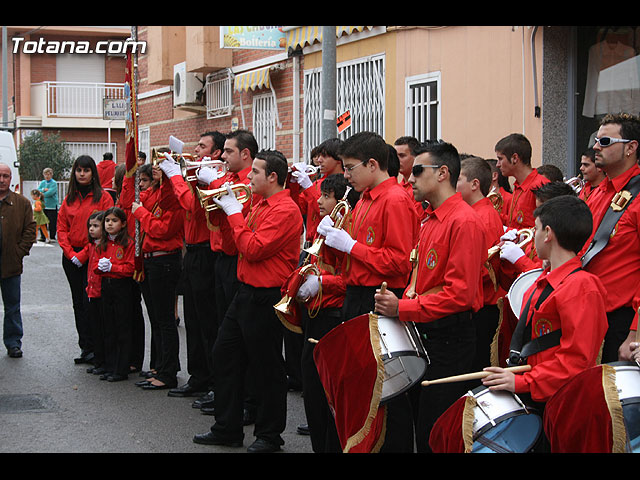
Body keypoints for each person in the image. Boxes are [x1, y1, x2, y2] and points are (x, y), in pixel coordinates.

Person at [374, 140, 486, 453]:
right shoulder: (431, 218)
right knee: (414, 421)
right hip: (425, 331)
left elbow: (460, 295)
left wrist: (403, 306)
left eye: (418, 170)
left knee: (435, 430)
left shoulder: (463, 221)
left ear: (442, 174)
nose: (410, 177)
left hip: (449, 337)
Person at [193, 149, 303, 453]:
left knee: (266, 367)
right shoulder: (257, 203)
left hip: (266, 296)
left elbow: (253, 248)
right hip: (245, 291)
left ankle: (269, 435)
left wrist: (234, 214)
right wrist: (228, 212)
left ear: (272, 177)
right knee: (224, 355)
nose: (249, 177)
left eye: (255, 172)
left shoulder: (285, 210)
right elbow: (235, 244)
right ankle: (227, 427)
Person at [318, 131, 418, 452]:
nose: (345, 176)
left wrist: (352, 246)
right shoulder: (362, 199)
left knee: (387, 390)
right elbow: (353, 256)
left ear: (372, 164)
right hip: (357, 295)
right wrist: (334, 240)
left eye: (350, 168)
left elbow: (399, 263)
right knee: (361, 385)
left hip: (380, 296)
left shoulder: (396, 200)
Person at [482, 195, 607, 405]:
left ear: (548, 233)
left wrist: (523, 382)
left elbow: (576, 361)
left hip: (561, 402)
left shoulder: (581, 287)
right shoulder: (544, 279)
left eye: (536, 229)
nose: (533, 235)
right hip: (539, 391)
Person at [194, 129, 261, 419]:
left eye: (228, 151)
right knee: (223, 331)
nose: (222, 156)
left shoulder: (249, 181)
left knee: (239, 337)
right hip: (221, 258)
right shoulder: (230, 179)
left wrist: (216, 181)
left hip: (238, 260)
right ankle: (227, 396)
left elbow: (240, 210)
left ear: (245, 154)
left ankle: (246, 399)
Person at [292, 173, 360, 453]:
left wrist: (322, 281)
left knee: (327, 393)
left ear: (340, 200)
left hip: (333, 314)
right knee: (312, 390)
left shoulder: (348, 228)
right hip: (316, 311)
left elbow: (351, 279)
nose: (318, 201)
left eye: (325, 196)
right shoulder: (327, 225)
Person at [158, 131, 226, 400]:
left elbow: (192, 205)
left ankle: (212, 380)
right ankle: (198, 375)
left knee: (209, 321)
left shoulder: (212, 177)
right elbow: (171, 204)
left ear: (216, 152)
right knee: (194, 320)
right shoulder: (193, 173)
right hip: (193, 252)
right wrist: (169, 176)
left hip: (208, 252)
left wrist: (176, 175)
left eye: (202, 146)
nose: (195, 150)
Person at [121, 154, 185, 390]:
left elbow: (163, 229)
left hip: (164, 261)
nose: (157, 172)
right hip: (149, 261)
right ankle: (160, 364)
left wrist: (142, 214)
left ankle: (168, 372)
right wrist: (130, 174)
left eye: (162, 169)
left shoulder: (173, 198)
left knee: (166, 319)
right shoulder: (153, 194)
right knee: (157, 319)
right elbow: (129, 204)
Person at [581, 113, 640, 364]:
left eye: (604, 142)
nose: (595, 147)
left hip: (621, 322)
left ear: (630, 148)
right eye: (596, 140)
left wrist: (635, 333)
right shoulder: (598, 192)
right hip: (589, 314)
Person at [57, 155, 114, 365]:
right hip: (71, 258)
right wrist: (71, 254)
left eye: (86, 170)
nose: (82, 174)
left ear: (93, 173)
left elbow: (107, 228)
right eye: (79, 170)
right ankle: (85, 347)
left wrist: (83, 255)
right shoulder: (68, 199)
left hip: (93, 255)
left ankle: (98, 348)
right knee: (78, 304)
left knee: (92, 302)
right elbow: (61, 228)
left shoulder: (103, 197)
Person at [456, 156, 504, 372]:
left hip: (485, 304)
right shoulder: (474, 213)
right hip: (477, 301)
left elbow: (487, 268)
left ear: (475, 184)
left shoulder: (483, 216)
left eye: (458, 180)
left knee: (476, 367)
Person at [93, 206, 136, 382]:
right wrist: (100, 267)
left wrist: (113, 268)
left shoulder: (128, 243)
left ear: (123, 223)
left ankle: (121, 368)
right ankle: (110, 366)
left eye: (114, 221)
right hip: (107, 285)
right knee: (108, 326)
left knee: (122, 327)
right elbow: (95, 265)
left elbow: (130, 267)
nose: (110, 224)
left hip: (122, 286)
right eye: (107, 221)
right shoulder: (102, 244)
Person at [0, 163, 36, 358]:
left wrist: (19, 251)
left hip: (11, 263)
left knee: (12, 306)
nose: (2, 180)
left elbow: (30, 230)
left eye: (6, 176)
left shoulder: (22, 203)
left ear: (10, 178)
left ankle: (13, 342)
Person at [495, 133, 550, 229]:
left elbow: (545, 228)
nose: (497, 165)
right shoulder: (518, 185)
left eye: (500, 159)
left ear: (515, 158)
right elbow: (515, 222)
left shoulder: (540, 185)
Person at [76, 211, 106, 376]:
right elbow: (79, 258)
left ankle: (104, 360)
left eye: (96, 226)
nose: (92, 229)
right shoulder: (91, 246)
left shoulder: (105, 246)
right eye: (90, 226)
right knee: (94, 326)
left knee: (104, 328)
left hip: (102, 292)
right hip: (91, 291)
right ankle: (98, 359)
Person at [38, 168, 58, 240]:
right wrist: (43, 190)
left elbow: (50, 193)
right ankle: (43, 236)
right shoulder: (43, 182)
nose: (47, 176)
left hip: (52, 206)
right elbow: (38, 190)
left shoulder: (54, 183)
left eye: (49, 174)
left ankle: (52, 236)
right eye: (46, 174)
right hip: (43, 205)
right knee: (42, 222)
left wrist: (42, 193)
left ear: (51, 175)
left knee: (52, 222)